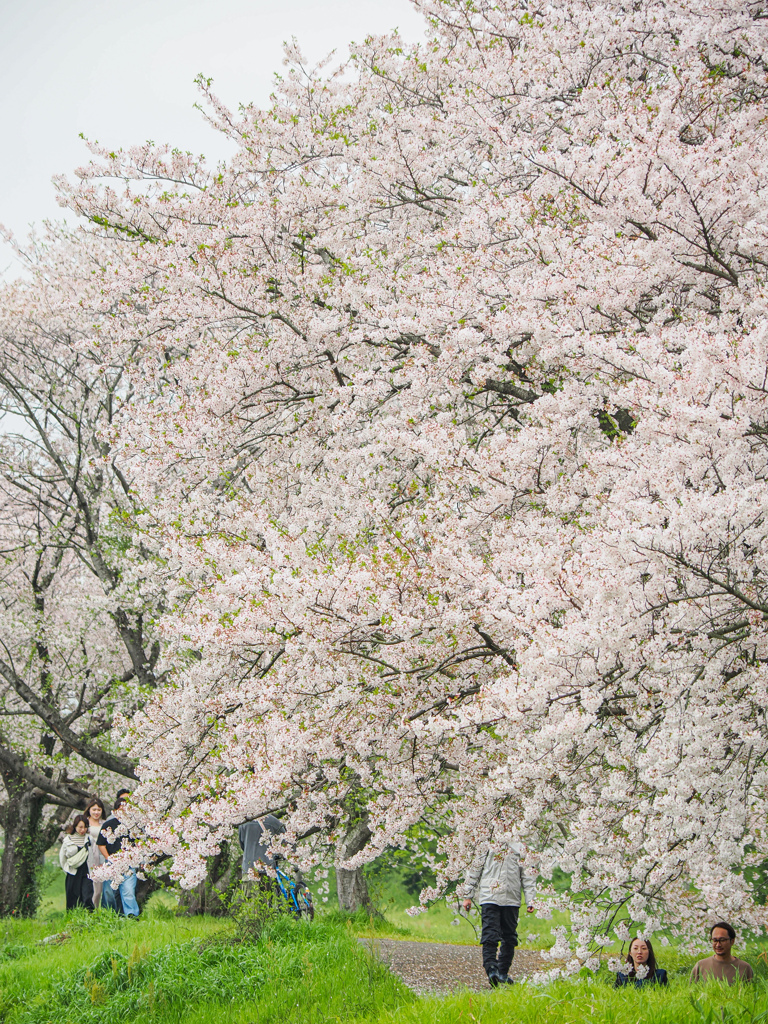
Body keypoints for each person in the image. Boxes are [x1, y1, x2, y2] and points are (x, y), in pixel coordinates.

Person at [461, 841, 537, 987]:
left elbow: (528, 876)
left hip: (511, 898)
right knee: (490, 933)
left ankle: (502, 972)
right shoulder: (487, 841)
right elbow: (475, 869)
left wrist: (531, 900)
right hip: (490, 897)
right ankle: (491, 969)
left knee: (509, 936)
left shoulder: (521, 846)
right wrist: (467, 895)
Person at [97, 790, 140, 917]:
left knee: (128, 891)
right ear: (115, 811)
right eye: (120, 808)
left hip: (128, 863)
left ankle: (131, 915)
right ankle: (110, 914)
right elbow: (101, 843)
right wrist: (108, 858)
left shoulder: (134, 826)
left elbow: (139, 844)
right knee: (108, 891)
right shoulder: (108, 825)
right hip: (112, 863)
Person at [59, 814, 94, 911]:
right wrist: (67, 870)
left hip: (86, 872)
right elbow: (62, 858)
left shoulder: (89, 839)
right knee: (72, 899)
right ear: (75, 827)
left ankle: (90, 918)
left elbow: (94, 855)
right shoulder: (67, 840)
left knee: (87, 896)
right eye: (80, 827)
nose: (83, 830)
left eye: (85, 827)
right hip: (73, 872)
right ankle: (72, 920)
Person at [238, 814, 287, 879]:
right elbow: (285, 842)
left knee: (248, 888)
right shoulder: (273, 821)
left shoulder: (244, 822)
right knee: (267, 888)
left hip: (248, 867)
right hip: (267, 867)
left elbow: (242, 844)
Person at [84, 797, 107, 909]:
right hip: (89, 856)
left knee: (100, 887)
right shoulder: (84, 822)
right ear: (89, 810)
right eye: (94, 809)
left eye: (99, 810)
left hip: (102, 855)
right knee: (91, 884)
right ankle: (90, 909)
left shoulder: (105, 823)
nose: (96, 812)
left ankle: (97, 909)